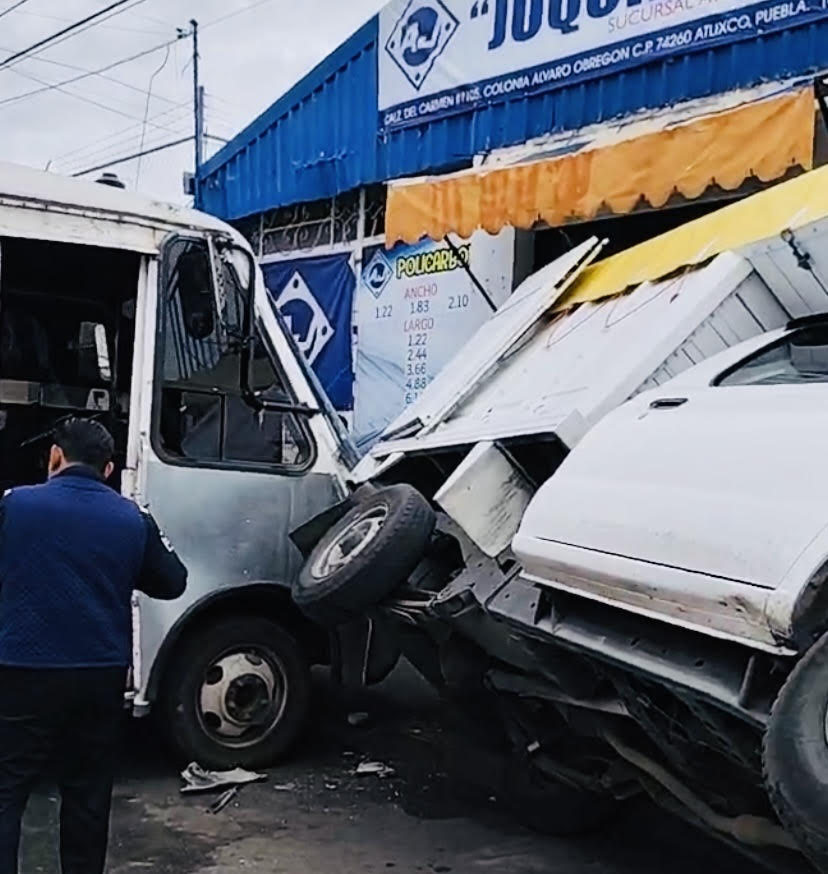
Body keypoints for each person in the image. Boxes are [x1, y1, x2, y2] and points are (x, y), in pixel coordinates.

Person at [0, 417, 187, 874]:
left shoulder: (13, 505)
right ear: (108, 470)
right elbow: (173, 582)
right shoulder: (132, 517)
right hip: (99, 675)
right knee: (86, 793)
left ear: (55, 458)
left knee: (7, 790)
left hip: (22, 668)